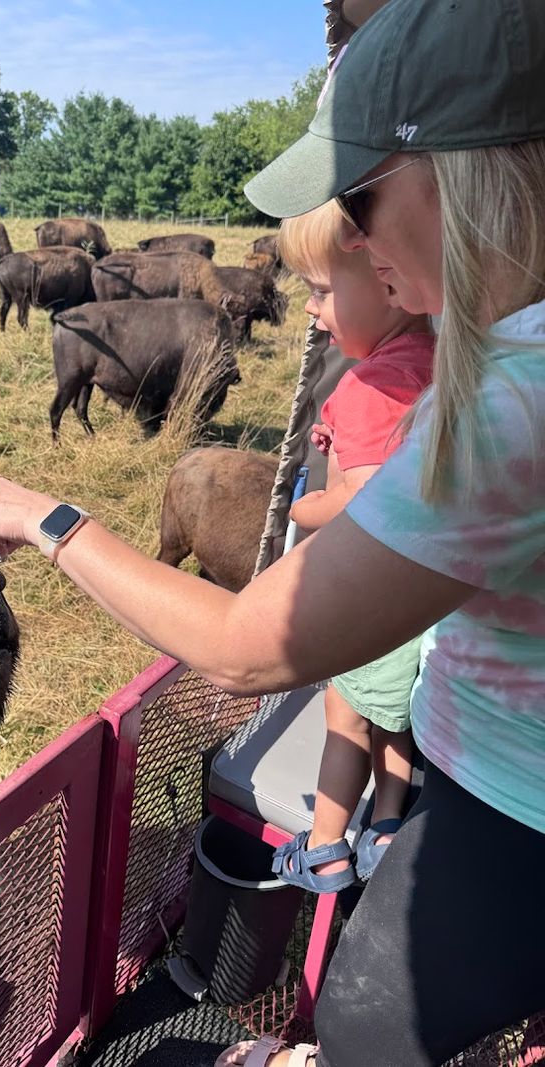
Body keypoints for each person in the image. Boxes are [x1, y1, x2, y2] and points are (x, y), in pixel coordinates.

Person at [0, 0, 545, 1062]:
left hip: (514, 801)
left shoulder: (512, 400)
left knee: (362, 1019)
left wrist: (48, 517)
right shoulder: (497, 365)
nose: (352, 240)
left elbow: (243, 646)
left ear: (469, 176)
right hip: (478, 767)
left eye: (358, 195)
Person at [266, 201, 434, 894]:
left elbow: (366, 497)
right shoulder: (439, 353)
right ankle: (388, 823)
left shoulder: (370, 385)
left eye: (322, 290)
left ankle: (328, 843)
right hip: (427, 597)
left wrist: (307, 503)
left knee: (345, 714)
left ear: (387, 278)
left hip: (374, 594)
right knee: (392, 717)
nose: (311, 310)